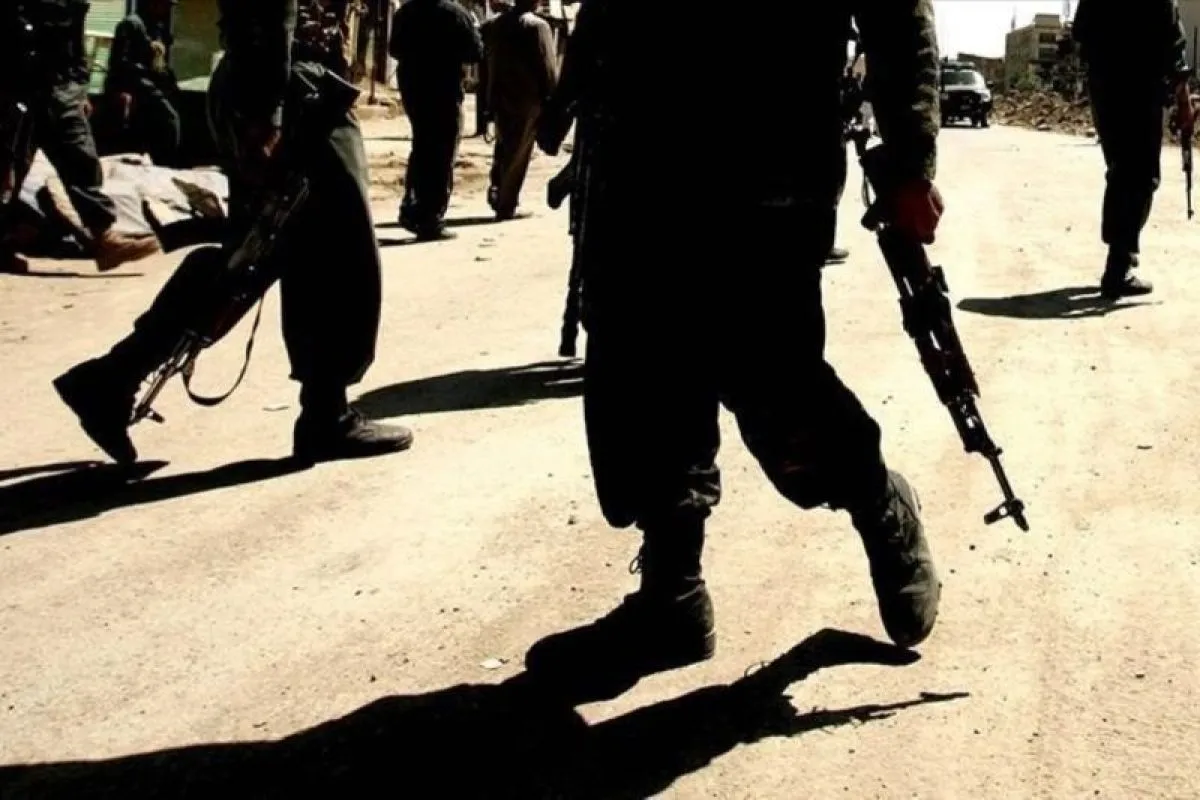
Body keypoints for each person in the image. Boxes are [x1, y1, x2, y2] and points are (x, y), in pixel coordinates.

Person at [525, 0, 944, 685]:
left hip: (771, 162)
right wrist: (569, 97)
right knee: (643, 373)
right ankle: (672, 595)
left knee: (777, 385)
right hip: (641, 156)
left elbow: (896, 14)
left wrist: (910, 162)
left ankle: (876, 498)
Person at [52, 0, 413, 467]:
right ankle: (325, 416)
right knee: (338, 255)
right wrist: (266, 114)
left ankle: (113, 378)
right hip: (288, 89)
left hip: (277, 85)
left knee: (264, 255)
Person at [0, 0, 160, 275]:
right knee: (9, 169)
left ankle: (104, 236)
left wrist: (79, 88)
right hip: (16, 86)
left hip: (59, 88)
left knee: (80, 158)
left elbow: (75, 44)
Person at [1073, 0, 1195, 299]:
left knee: (1121, 170)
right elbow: (1173, 43)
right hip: (1141, 89)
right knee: (1139, 176)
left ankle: (1119, 253)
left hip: (1105, 87)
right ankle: (1118, 265)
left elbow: (1080, 33)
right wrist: (1183, 98)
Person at [389, 0, 483, 240]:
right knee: (442, 152)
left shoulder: (406, 12)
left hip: (414, 89)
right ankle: (430, 217)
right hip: (444, 90)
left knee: (422, 145)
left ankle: (413, 206)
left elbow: (394, 49)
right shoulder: (456, 14)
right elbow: (475, 52)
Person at [484, 0, 558, 219]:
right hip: (527, 99)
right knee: (518, 153)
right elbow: (548, 67)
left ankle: (498, 190)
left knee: (503, 146)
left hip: (500, 94)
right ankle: (506, 203)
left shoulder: (496, 25)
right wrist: (553, 100)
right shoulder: (538, 27)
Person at [101, 0, 182, 166]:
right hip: (130, 82)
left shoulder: (156, 28)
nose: (166, 10)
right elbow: (120, 62)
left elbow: (158, 61)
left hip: (149, 82)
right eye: (164, 5)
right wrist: (148, 75)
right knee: (168, 118)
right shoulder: (130, 24)